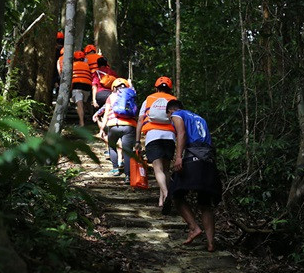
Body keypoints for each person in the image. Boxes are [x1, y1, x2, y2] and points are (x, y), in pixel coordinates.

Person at [166, 99, 221, 252]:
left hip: (192, 158)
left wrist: (178, 157)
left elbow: (182, 133)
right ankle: (211, 244)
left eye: (169, 116)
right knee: (205, 203)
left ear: (171, 111)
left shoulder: (177, 115)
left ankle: (194, 227)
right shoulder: (200, 118)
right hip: (208, 160)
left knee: (176, 194)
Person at [135, 77, 177, 207]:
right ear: (170, 89)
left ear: (156, 88)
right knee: (166, 169)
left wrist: (137, 141)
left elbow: (141, 120)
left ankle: (165, 193)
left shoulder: (148, 99)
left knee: (158, 169)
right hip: (169, 137)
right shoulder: (174, 100)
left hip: (153, 136)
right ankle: (162, 201)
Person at [93, 78, 137, 184]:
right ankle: (127, 176)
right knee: (128, 151)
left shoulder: (111, 97)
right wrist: (130, 83)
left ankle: (115, 169)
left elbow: (106, 114)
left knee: (112, 146)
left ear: (113, 88)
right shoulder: (131, 94)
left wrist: (102, 129)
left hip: (114, 125)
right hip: (129, 126)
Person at [71, 50, 92, 127]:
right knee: (86, 103)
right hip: (87, 86)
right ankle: (92, 117)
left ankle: (81, 122)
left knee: (79, 105)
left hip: (77, 86)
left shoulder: (72, 65)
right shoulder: (87, 65)